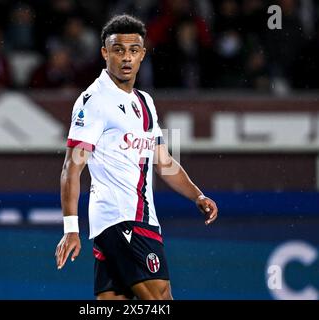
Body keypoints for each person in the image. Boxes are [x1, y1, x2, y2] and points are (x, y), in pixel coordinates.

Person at [55, 14, 218, 300]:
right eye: (118, 50)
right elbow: (72, 167)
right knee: (160, 299)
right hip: (123, 219)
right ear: (105, 53)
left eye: (133, 50)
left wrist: (197, 196)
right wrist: (71, 228)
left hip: (128, 221)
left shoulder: (145, 102)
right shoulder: (94, 101)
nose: (126, 58)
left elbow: (164, 162)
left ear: (142, 54)